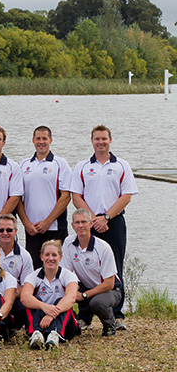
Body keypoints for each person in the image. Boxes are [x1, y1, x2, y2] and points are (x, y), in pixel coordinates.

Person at [70, 124, 138, 329]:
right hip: (88, 223)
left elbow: (126, 196)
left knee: (115, 266)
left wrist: (106, 217)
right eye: (97, 139)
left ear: (110, 140)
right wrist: (92, 219)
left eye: (104, 139)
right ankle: (85, 317)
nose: (100, 142)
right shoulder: (82, 166)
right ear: (92, 141)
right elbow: (76, 196)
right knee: (83, 267)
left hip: (113, 222)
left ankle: (117, 316)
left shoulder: (121, 165)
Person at [60, 209, 122, 336]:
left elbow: (109, 283)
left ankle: (109, 325)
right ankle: (73, 322)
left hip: (110, 290)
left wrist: (83, 295)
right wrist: (71, 292)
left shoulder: (103, 247)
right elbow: (65, 273)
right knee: (59, 289)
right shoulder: (68, 242)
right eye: (77, 222)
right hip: (86, 285)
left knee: (98, 303)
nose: (80, 226)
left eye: (84, 222)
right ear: (72, 226)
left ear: (91, 224)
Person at [17, 126, 72, 269]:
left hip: (55, 227)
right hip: (32, 229)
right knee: (34, 270)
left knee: (58, 269)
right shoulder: (23, 165)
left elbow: (66, 197)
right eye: (38, 138)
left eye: (44, 138)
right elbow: (17, 198)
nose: (41, 142)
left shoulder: (60, 163)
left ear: (50, 140)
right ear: (33, 140)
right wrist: (26, 223)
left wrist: (48, 221)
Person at [20, 240, 80, 349]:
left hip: (64, 323)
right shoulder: (33, 276)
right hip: (42, 321)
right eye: (47, 255)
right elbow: (24, 297)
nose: (50, 258)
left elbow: (71, 298)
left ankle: (54, 334)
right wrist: (44, 307)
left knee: (61, 301)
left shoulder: (68, 275)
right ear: (42, 257)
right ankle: (36, 334)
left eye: (54, 255)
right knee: (34, 300)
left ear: (60, 257)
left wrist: (51, 314)